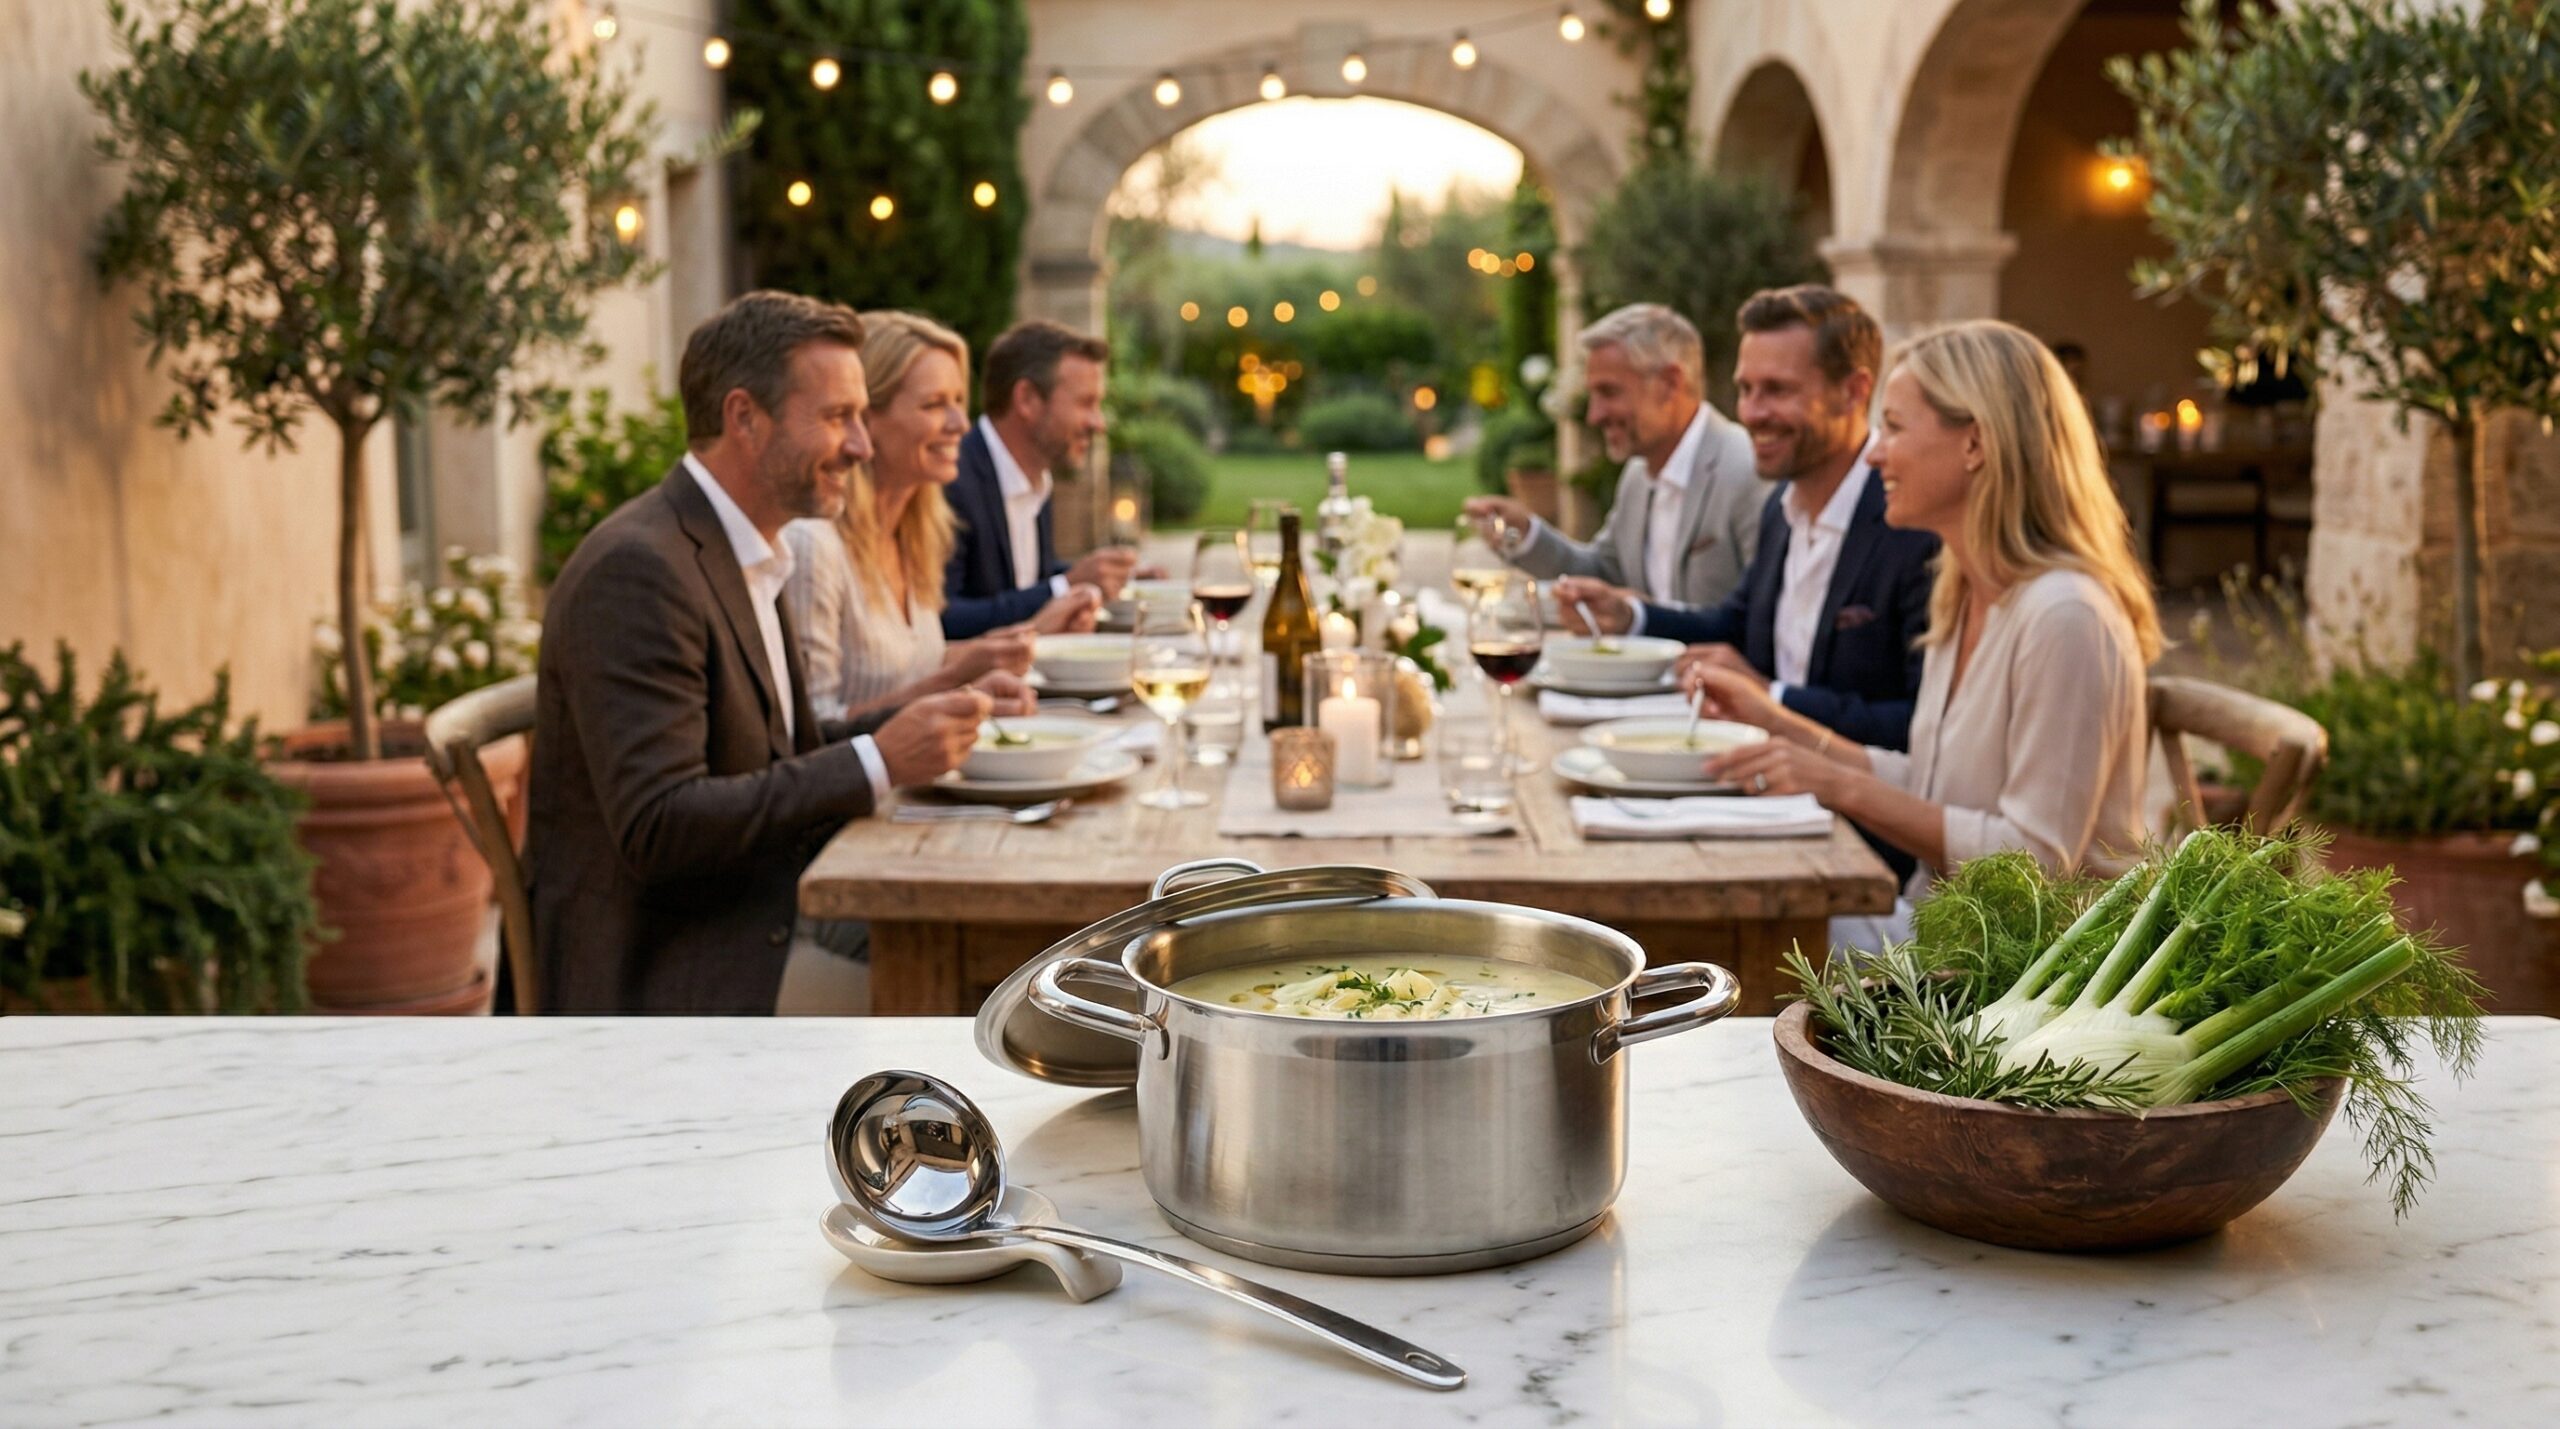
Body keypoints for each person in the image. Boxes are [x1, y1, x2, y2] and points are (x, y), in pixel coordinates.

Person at [529, 292, 1014, 1015]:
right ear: (744, 418)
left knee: (998, 924)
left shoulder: (752, 547)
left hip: (759, 905)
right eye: (836, 417)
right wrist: (877, 760)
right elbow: (660, 825)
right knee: (979, 979)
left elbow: (778, 757)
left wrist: (917, 732)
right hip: (681, 963)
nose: (861, 445)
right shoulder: (639, 571)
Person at [1691, 320, 2162, 947]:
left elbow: (2037, 863)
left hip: (2021, 970)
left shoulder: (2064, 615)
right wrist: (1784, 728)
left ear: (1975, 443)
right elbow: (1937, 783)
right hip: (1941, 929)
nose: (1875, 452)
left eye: (1893, 427)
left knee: (1723, 937)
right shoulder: (1964, 588)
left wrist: (1838, 784)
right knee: (1708, 922)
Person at [1555, 286, 1937, 880]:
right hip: (1757, 807)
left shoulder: (1910, 529)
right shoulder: (1783, 502)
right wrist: (1633, 616)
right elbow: (1737, 624)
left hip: (1861, 859)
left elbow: (1919, 728)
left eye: (1778, 391)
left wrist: (1774, 700)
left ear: (1855, 391)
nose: (1753, 413)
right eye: (1746, 389)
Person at [782, 311, 1041, 723]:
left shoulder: (919, 533)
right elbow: (813, 731)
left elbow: (907, 669)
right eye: (934, 404)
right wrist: (952, 680)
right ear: (867, 419)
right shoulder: (814, 547)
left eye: (958, 401)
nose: (959, 424)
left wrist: (982, 661)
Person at [1462, 303, 1761, 611]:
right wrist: (1527, 535)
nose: (1594, 415)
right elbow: (1604, 575)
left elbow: (1759, 623)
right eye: (1592, 395)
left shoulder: (1747, 470)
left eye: (1609, 392)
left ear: (1670, 384)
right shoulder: (1638, 474)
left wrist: (1642, 618)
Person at [941, 320, 1148, 639]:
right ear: (1027, 399)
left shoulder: (1037, 476)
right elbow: (945, 619)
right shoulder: (953, 480)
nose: (1099, 423)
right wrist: (1064, 586)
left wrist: (1109, 577)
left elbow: (1022, 581)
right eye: (1086, 403)